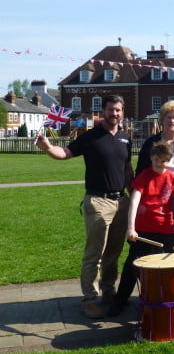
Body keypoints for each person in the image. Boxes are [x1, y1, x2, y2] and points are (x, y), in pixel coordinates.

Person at [35, 95, 133, 319]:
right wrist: (48, 147)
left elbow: (127, 170)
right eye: (111, 110)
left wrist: (133, 195)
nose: (115, 114)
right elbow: (65, 154)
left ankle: (109, 292)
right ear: (104, 112)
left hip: (122, 201)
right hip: (98, 201)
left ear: (122, 113)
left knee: (114, 252)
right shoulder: (90, 136)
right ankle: (90, 299)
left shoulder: (126, 138)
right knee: (94, 254)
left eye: (118, 110)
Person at [108, 141, 174, 316]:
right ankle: (120, 301)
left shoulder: (173, 179)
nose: (160, 164)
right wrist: (131, 228)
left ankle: (170, 299)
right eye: (156, 160)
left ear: (169, 160)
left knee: (169, 268)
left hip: (167, 231)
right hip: (143, 231)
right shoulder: (144, 176)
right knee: (132, 267)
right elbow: (135, 201)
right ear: (151, 158)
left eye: (163, 161)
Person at [135, 100, 174, 255]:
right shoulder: (152, 143)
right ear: (162, 120)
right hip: (155, 203)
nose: (172, 121)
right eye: (168, 117)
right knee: (152, 249)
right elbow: (140, 173)